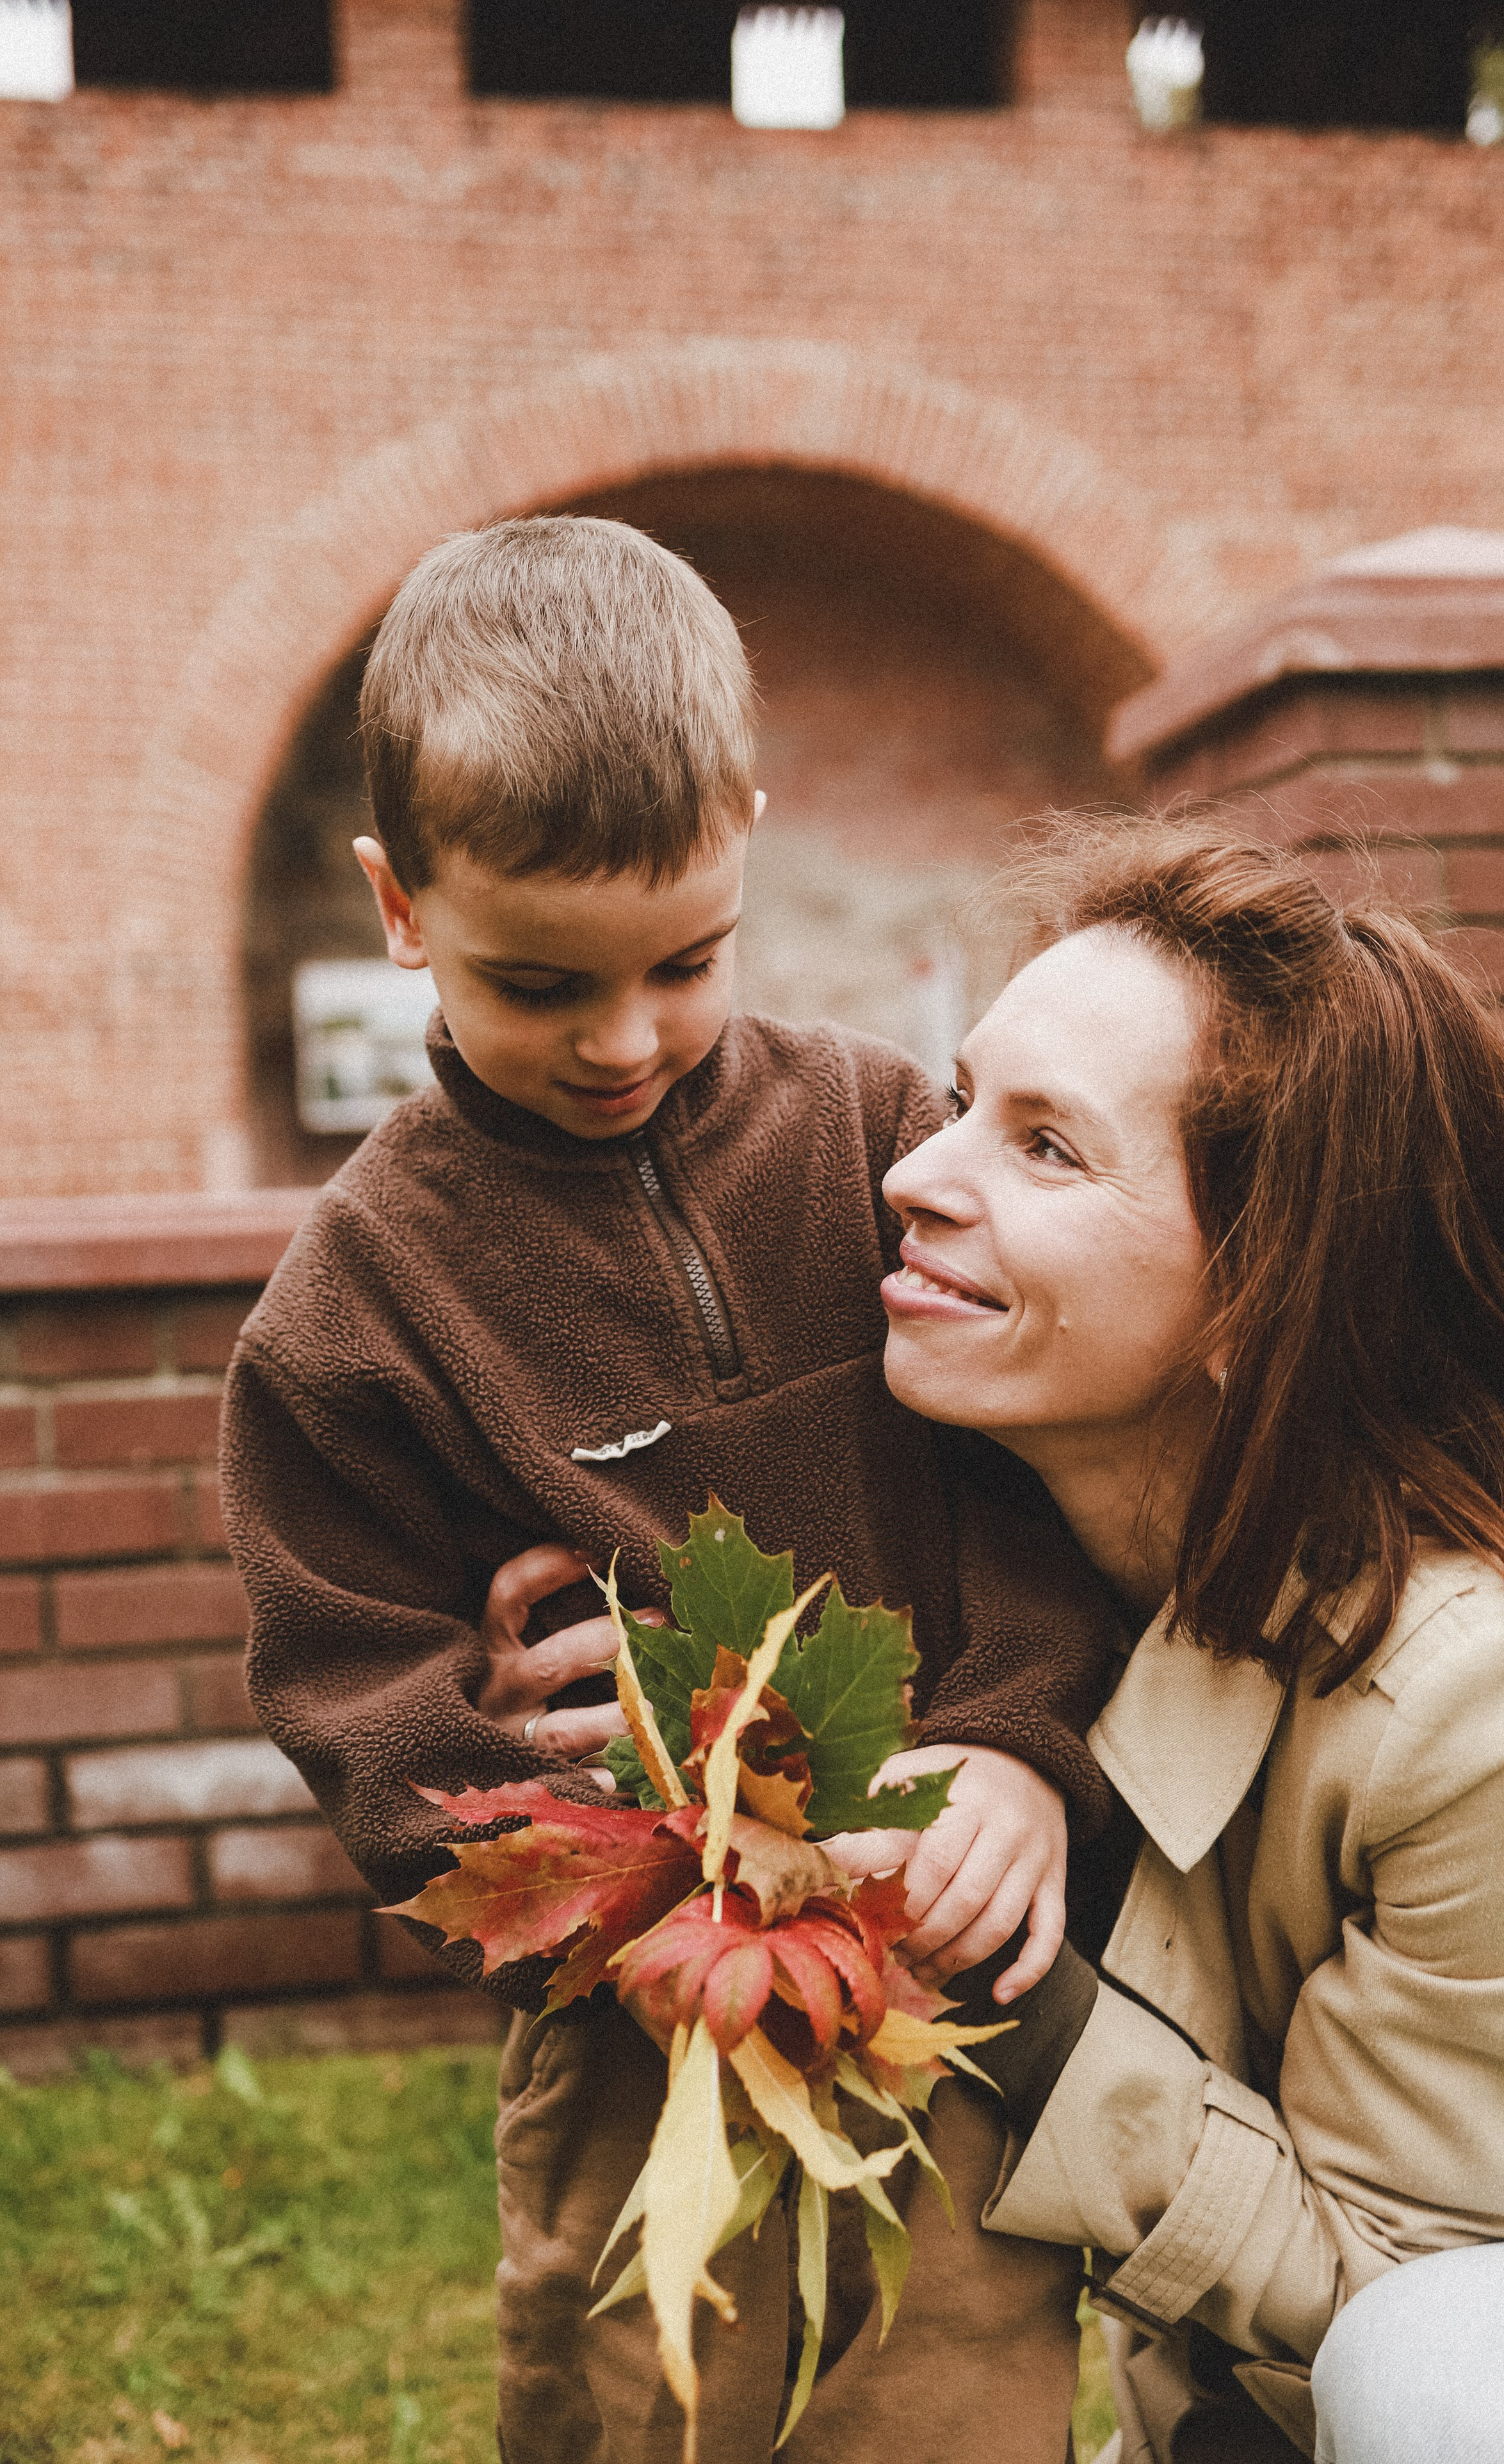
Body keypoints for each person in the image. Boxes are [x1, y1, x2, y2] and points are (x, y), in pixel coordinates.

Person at [219, 516, 1121, 2464]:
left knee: (959, 2380)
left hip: (939, 1940)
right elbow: (351, 1679)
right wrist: (520, 1821)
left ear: (749, 846)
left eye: (687, 964)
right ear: (399, 908)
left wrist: (1023, 1745)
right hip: (642, 2003)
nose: (623, 1042)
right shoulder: (360, 1301)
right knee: (645, 2395)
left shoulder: (888, 1133)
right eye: (538, 984)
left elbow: (1035, 1488)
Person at [848, 817, 1504, 2463]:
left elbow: (1393, 2288)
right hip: (1240, 2418)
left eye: (1048, 1148)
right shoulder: (998, 1533)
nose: (914, 1175)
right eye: (958, 1099)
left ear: (1255, 1291)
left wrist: (1015, 1993)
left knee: (1444, 2387)